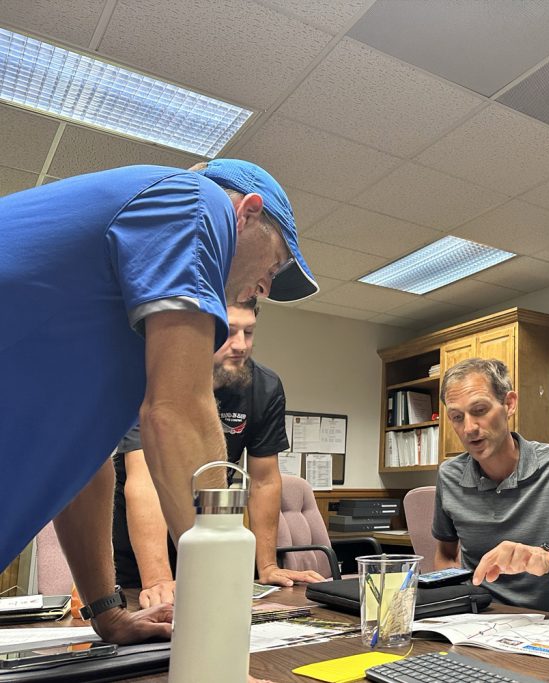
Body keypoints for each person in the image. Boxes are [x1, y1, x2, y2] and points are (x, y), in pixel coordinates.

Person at [0, 159, 318, 647]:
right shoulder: (198, 201)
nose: (265, 289)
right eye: (273, 266)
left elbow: (86, 468)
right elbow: (179, 411)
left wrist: (107, 613)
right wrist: (220, 635)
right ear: (247, 214)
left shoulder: (120, 342)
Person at [113, 299, 325, 608]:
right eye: (229, 332)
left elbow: (264, 481)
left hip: (209, 525)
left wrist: (266, 566)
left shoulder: (265, 388)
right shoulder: (153, 375)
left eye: (249, 332)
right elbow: (145, 481)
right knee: (154, 624)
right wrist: (157, 578)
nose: (240, 345)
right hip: (144, 543)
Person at [432, 358, 549, 617]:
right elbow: (445, 554)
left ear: (509, 404)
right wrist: (460, 601)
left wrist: (545, 559)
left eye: (479, 410)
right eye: (456, 417)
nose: (469, 428)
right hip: (476, 625)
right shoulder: (449, 475)